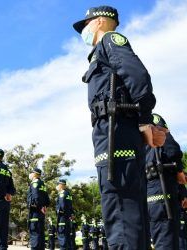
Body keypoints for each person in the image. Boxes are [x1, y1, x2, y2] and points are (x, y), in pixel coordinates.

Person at [73, 5, 162, 249]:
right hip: (111, 134)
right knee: (126, 211)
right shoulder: (101, 50)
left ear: (99, 21)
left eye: (86, 24)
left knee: (120, 209)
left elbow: (137, 76)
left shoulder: (110, 40)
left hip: (117, 134)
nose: (84, 31)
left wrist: (144, 119)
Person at [145, 113, 186, 249]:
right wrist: (180, 173)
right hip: (165, 199)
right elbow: (173, 152)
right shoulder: (162, 134)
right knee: (168, 243)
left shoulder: (143, 146)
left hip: (149, 201)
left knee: (159, 241)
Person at [27, 168, 50, 250]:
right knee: (40, 235)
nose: (30, 174)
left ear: (35, 174)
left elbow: (36, 197)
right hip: (41, 213)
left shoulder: (35, 183)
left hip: (35, 212)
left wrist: (39, 206)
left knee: (35, 234)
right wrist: (44, 207)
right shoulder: (42, 184)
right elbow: (47, 200)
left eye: (32, 172)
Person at [56, 179, 73, 250]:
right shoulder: (68, 193)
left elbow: (62, 206)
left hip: (62, 218)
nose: (57, 186)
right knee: (67, 239)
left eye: (58, 184)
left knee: (62, 238)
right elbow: (71, 206)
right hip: (67, 219)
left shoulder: (62, 193)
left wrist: (59, 211)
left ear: (62, 185)